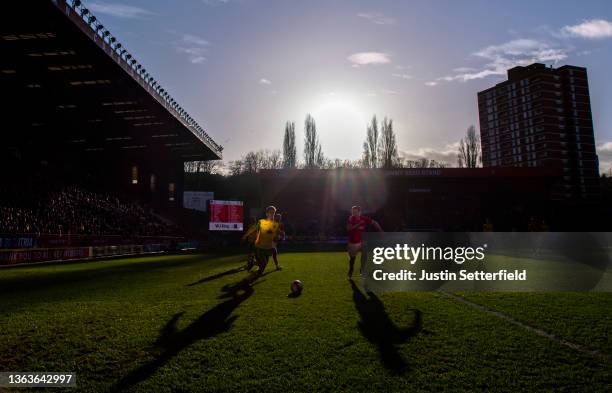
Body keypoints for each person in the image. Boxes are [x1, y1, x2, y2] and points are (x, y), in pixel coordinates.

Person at [241, 206, 280, 276]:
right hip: (260, 246)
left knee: (262, 267)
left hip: (268, 247)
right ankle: (251, 277)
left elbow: (273, 234)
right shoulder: (261, 222)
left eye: (273, 213)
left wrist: (277, 236)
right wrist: (245, 236)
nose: (272, 214)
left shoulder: (275, 224)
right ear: (266, 214)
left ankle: (254, 265)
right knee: (263, 263)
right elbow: (252, 229)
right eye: (270, 213)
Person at [346, 205, 382, 279]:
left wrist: (380, 231)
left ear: (359, 212)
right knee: (352, 259)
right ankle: (351, 270)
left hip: (362, 241)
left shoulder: (364, 218)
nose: (353, 213)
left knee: (365, 254)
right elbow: (349, 229)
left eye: (355, 212)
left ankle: (362, 271)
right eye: (353, 212)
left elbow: (375, 222)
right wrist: (358, 224)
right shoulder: (351, 218)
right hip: (353, 242)